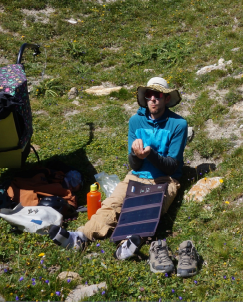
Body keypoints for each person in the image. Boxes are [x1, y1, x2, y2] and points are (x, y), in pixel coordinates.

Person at [69, 77, 200, 277]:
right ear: (145, 98)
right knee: (113, 203)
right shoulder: (135, 121)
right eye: (150, 95)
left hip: (165, 180)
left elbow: (172, 166)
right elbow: (134, 165)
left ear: (166, 99)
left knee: (146, 212)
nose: (153, 99)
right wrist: (136, 156)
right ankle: (80, 236)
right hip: (135, 175)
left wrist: (151, 155)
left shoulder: (178, 124)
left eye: (158, 95)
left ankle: (126, 244)